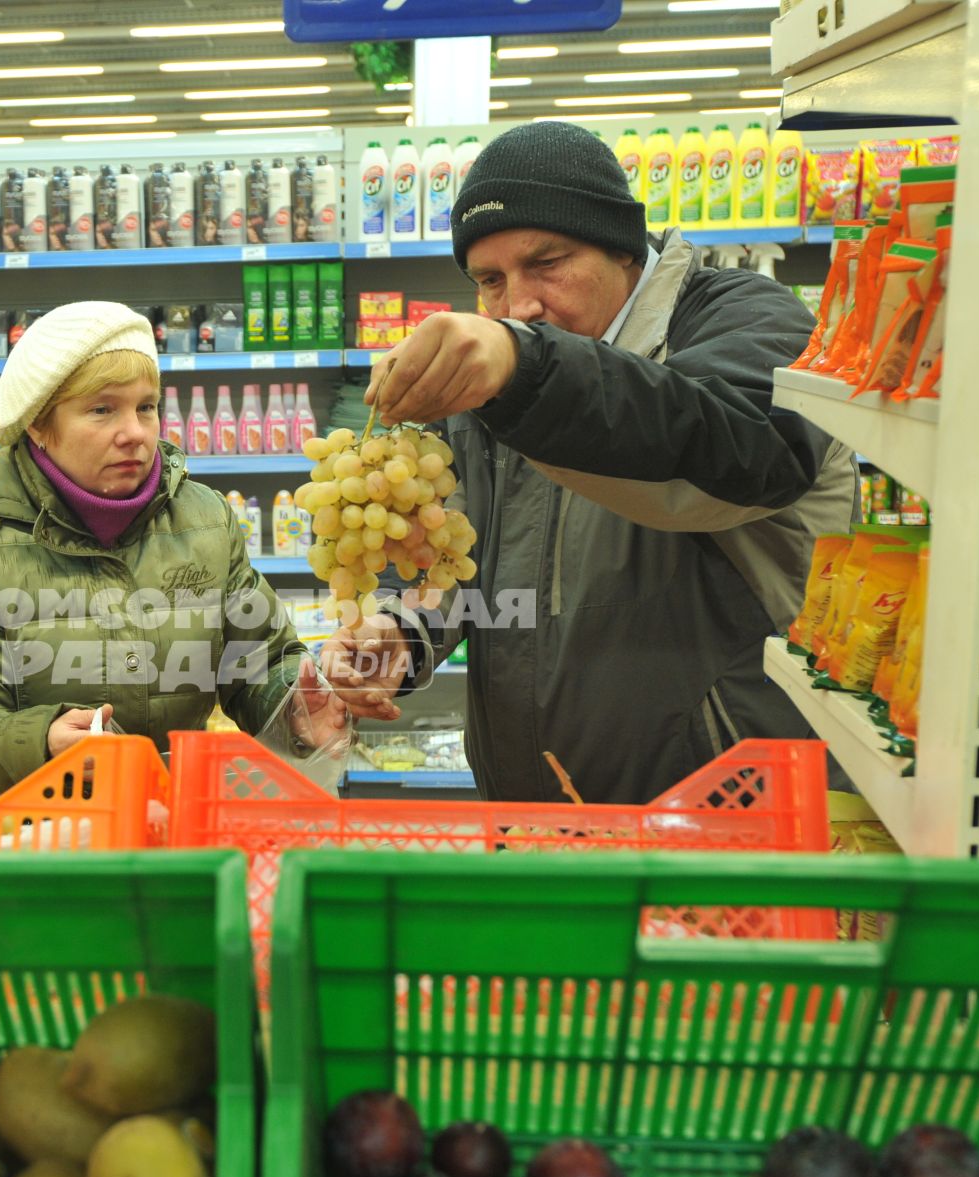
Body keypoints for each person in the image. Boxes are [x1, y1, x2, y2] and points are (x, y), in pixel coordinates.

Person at [322, 122, 856, 804]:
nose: (520, 305)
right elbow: (462, 544)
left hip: (726, 833)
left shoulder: (748, 321)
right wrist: (405, 627)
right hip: (538, 833)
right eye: (490, 280)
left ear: (622, 247)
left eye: (547, 263)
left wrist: (524, 371)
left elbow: (736, 452)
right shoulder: (509, 371)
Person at [0, 301, 344, 799]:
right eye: (102, 409)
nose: (135, 433)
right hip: (37, 841)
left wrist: (293, 703)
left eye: (146, 406)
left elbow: (260, 662)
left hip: (175, 823)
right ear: (38, 425)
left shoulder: (205, 519)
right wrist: (42, 744)